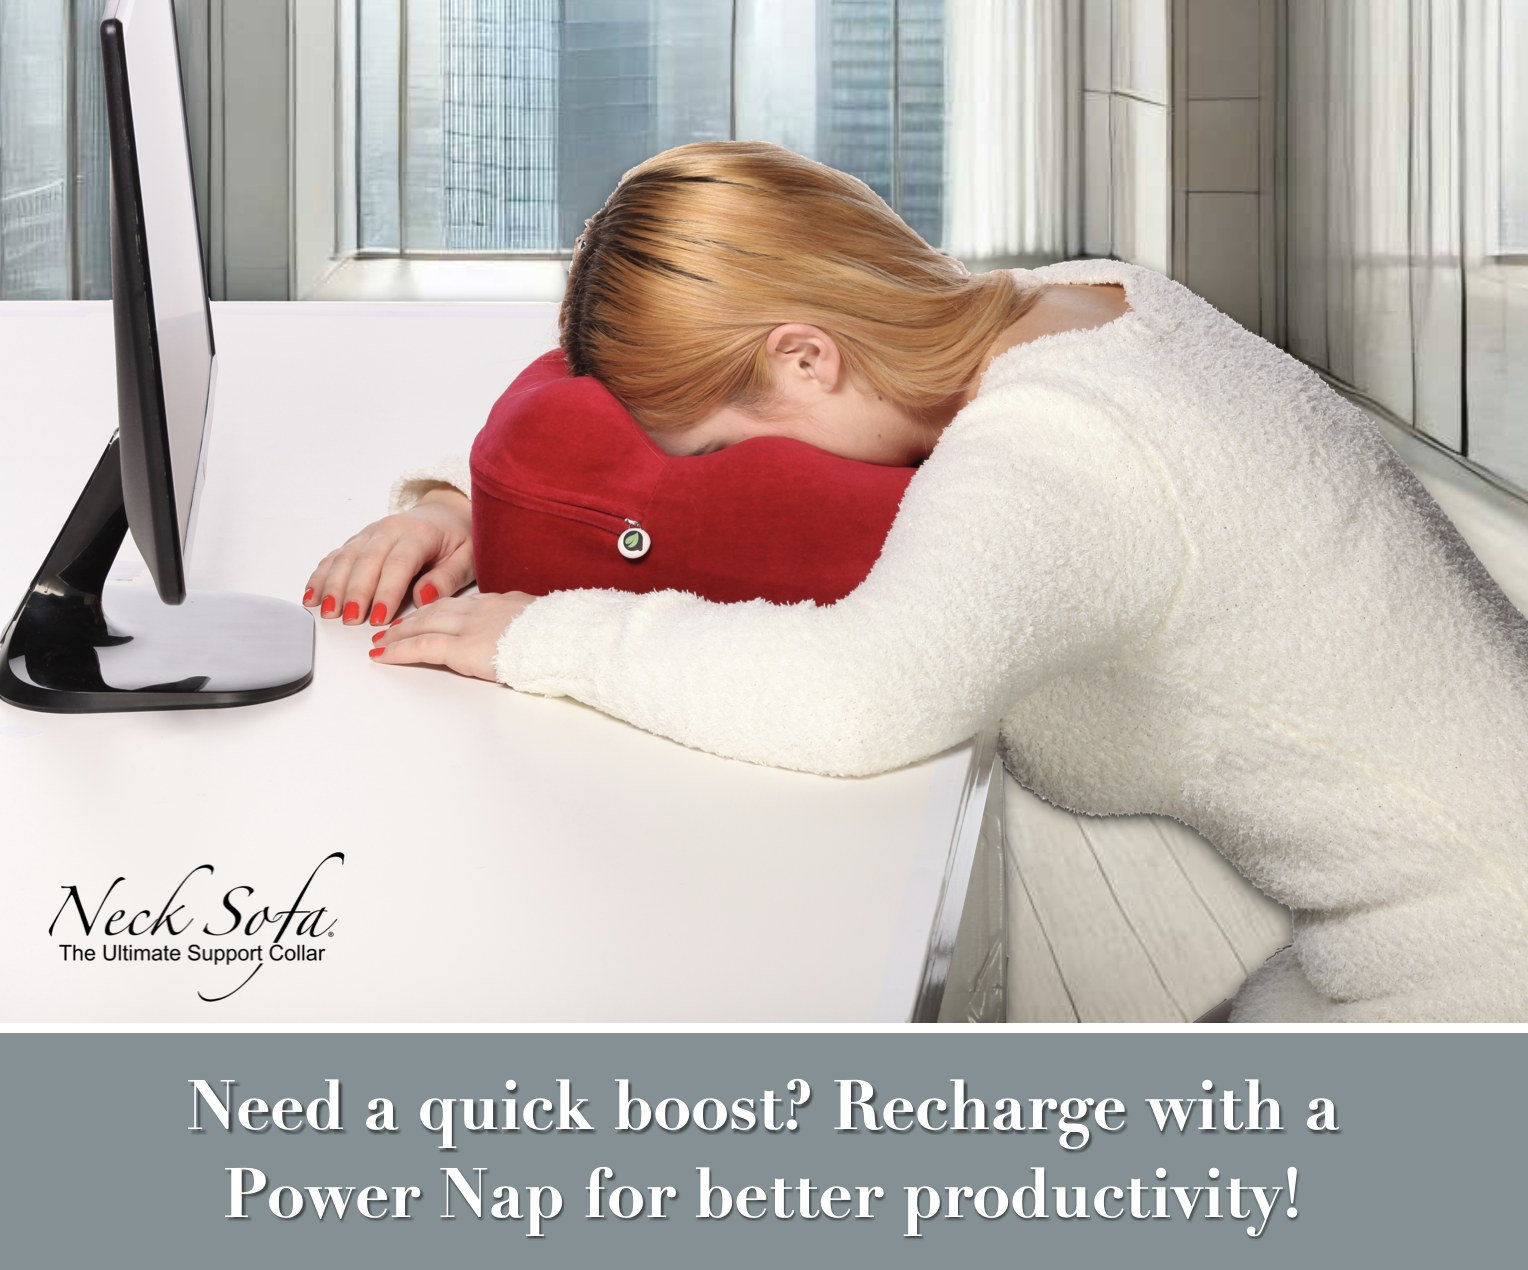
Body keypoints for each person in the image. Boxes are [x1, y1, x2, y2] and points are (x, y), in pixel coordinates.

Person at [306, 142, 1528, 1022]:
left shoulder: (1053, 458)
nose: (738, 474)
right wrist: (473, 513)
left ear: (805, 349)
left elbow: (860, 701)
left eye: (729, 439)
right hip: (1419, 919)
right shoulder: (1080, 303)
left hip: (1479, 967)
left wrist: (544, 636)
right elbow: (804, 529)